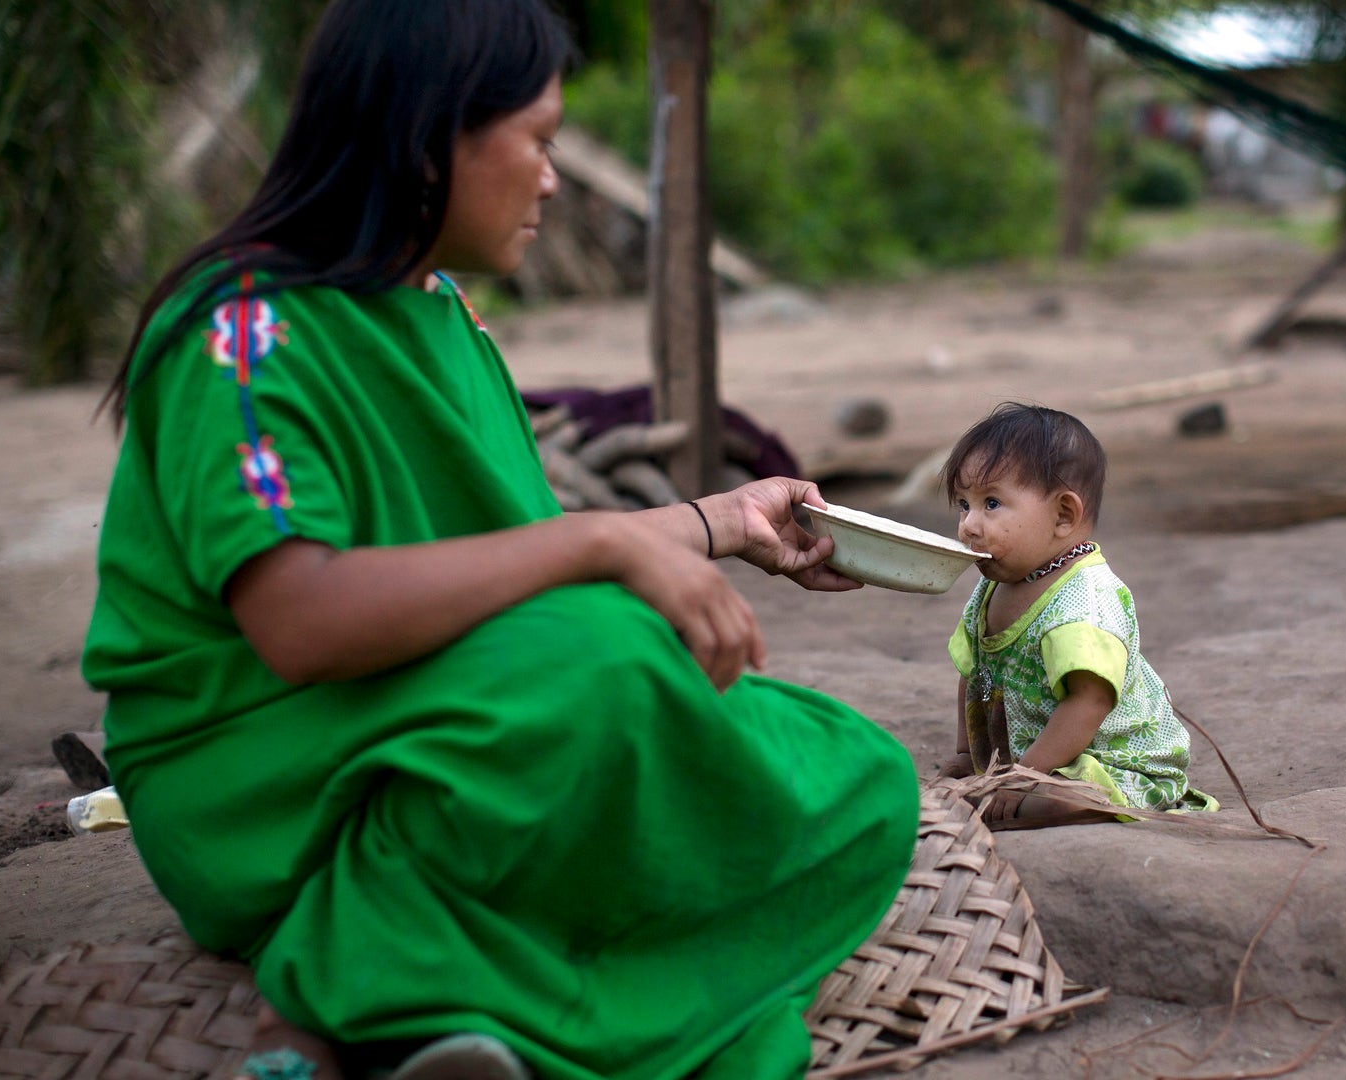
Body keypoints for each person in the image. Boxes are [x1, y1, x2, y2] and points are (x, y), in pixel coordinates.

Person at [80, 2, 918, 1078]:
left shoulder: (442, 312)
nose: (554, 179)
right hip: (261, 777)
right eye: (541, 140)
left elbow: (502, 554)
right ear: (432, 138)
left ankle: (491, 1002)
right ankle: (362, 978)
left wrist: (722, 522)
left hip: (445, 710)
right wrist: (600, 554)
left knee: (859, 776)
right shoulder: (242, 330)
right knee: (613, 658)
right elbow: (301, 623)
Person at [936, 403, 1217, 824]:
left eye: (991, 503)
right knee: (976, 788)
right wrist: (967, 754)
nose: (968, 526)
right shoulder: (994, 586)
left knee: (1063, 798)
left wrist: (1027, 774)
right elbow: (974, 672)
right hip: (1032, 757)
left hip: (1111, 761)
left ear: (1064, 515)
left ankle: (1053, 795)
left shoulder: (1084, 603)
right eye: (964, 504)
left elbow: (1090, 700)